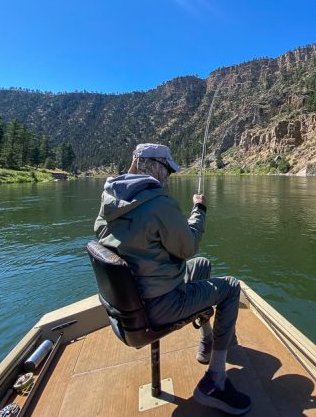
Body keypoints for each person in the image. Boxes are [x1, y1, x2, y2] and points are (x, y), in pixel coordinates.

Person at [94, 143, 251, 415]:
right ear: (153, 165)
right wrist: (199, 210)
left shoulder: (109, 198)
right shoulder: (159, 203)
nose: (168, 176)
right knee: (231, 287)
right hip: (159, 304)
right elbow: (188, 246)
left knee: (201, 266)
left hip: (128, 305)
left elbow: (115, 237)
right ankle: (215, 380)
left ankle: (206, 342)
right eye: (167, 169)